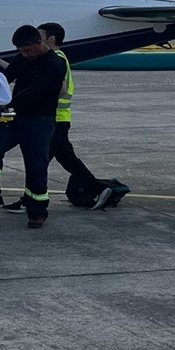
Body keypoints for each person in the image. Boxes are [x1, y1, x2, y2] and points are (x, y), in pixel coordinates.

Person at [0, 24, 68, 229]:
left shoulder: (55, 64)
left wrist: (7, 103)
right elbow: (5, 79)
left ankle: (37, 211)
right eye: (21, 51)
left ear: (40, 42)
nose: (25, 54)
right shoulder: (21, 59)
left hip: (39, 121)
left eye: (28, 50)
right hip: (15, 118)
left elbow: (37, 92)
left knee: (36, 166)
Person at [23, 22, 116, 212]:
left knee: (40, 162)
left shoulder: (56, 59)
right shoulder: (56, 58)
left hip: (55, 119)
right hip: (58, 119)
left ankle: (29, 201)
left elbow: (55, 88)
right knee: (61, 160)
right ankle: (99, 189)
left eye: (39, 37)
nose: (35, 40)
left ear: (51, 39)